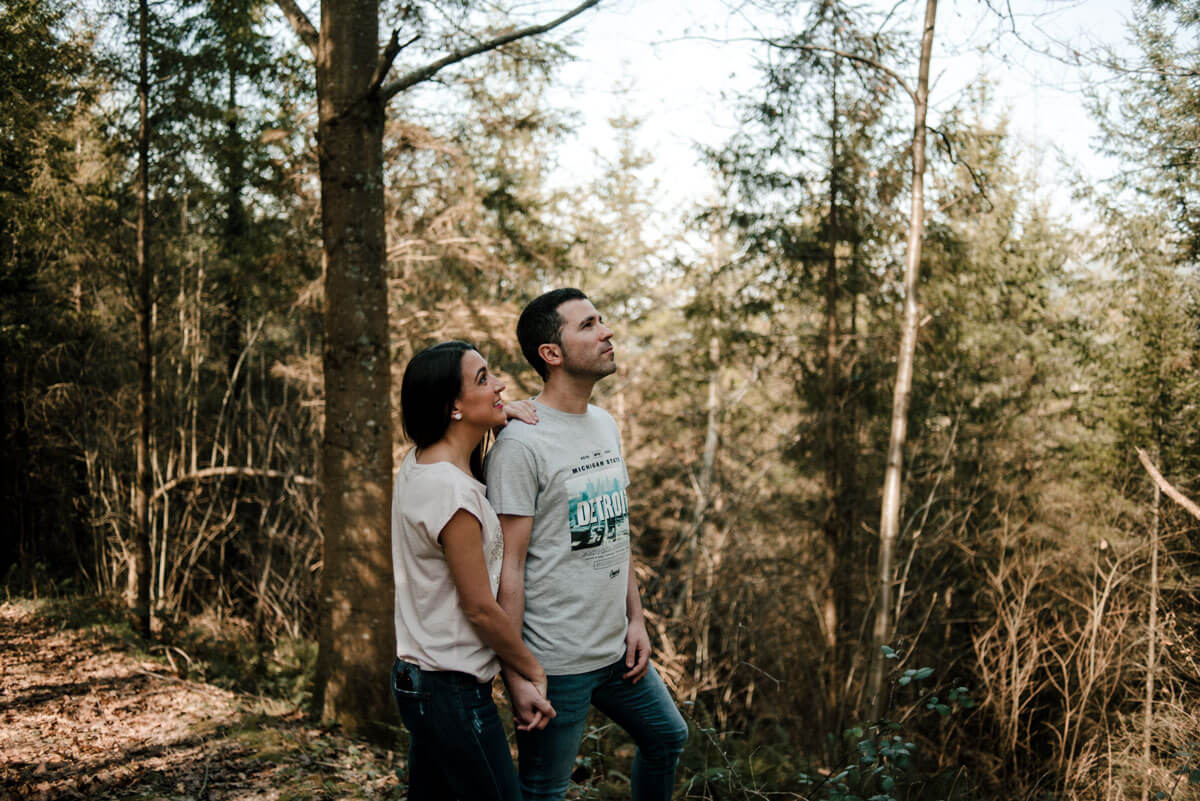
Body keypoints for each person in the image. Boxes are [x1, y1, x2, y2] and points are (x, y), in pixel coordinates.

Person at [485, 289, 689, 801]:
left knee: (668, 737)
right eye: (589, 325)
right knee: (544, 790)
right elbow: (508, 569)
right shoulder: (520, 444)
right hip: (556, 661)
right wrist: (518, 675)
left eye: (602, 320)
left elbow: (615, 532)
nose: (607, 332)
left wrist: (636, 620)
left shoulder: (604, 424)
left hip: (617, 650)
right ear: (551, 354)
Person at [391, 340, 556, 801]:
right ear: (453, 407)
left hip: (420, 683)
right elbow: (481, 610)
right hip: (450, 691)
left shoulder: (421, 463)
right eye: (484, 379)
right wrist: (530, 671)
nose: (500, 383)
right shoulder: (452, 495)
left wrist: (503, 411)